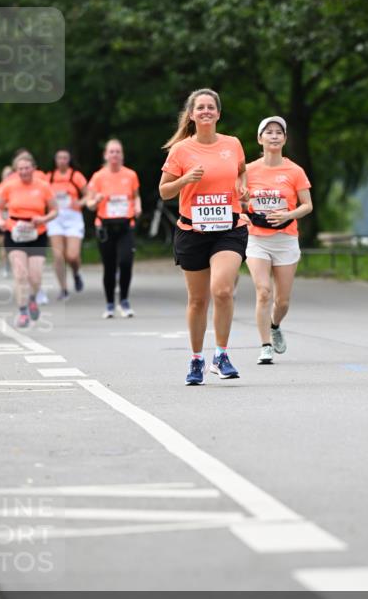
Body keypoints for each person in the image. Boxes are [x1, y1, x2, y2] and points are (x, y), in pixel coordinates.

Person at [159, 88, 249, 385]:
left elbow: (240, 172)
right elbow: (164, 191)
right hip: (192, 231)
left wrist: (242, 187)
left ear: (218, 113)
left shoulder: (232, 144)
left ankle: (221, 355)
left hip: (229, 228)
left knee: (222, 290)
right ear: (193, 114)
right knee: (198, 300)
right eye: (201, 108)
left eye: (211, 107)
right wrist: (185, 179)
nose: (206, 111)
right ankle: (197, 359)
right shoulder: (181, 150)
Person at [244, 117, 313, 364]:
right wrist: (244, 210)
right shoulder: (248, 170)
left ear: (284, 139)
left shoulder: (294, 171)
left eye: (278, 132)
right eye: (268, 132)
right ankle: (265, 346)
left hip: (285, 239)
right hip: (257, 239)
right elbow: (239, 201)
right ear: (260, 139)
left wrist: (288, 214)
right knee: (263, 292)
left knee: (282, 301)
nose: (274, 136)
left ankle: (275, 325)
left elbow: (307, 205)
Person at [0, 152, 57, 327]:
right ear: (16, 170)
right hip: (14, 233)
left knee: (35, 277)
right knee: (20, 274)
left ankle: (33, 299)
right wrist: (0, 221)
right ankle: (22, 312)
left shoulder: (43, 186)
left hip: (37, 233)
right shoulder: (9, 186)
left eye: (27, 168)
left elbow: (54, 210)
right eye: (20, 169)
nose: (23, 172)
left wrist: (43, 219)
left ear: (34, 168)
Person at [86, 139, 141, 319]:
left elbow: (136, 196)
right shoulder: (98, 177)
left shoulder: (130, 175)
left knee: (125, 263)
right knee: (109, 267)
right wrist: (96, 200)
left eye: (118, 151)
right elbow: (89, 204)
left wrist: (138, 207)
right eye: (111, 152)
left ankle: (124, 300)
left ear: (122, 155)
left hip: (126, 225)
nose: (115, 155)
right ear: (106, 155)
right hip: (105, 227)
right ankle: (110, 303)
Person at [46, 149, 87, 299]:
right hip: (55, 217)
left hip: (73, 217)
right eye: (59, 158)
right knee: (58, 255)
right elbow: (43, 195)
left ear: (69, 160)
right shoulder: (49, 177)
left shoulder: (75, 176)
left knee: (72, 256)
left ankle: (76, 272)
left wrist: (80, 203)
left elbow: (88, 195)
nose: (62, 160)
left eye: (65, 158)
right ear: (55, 160)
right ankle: (63, 289)